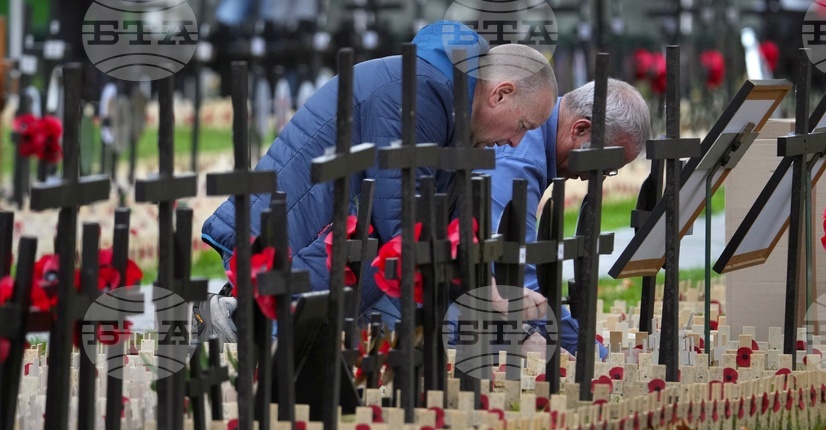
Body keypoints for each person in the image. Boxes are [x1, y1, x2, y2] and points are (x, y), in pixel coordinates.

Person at [197, 20, 558, 340]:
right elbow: (402, 227)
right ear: (500, 94)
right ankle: (237, 320)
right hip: (281, 245)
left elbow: (449, 235)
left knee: (415, 321)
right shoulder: (420, 93)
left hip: (317, 241)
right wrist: (487, 297)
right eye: (522, 126)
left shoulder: (453, 114)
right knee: (386, 279)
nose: (516, 142)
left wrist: (495, 304)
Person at [484, 79, 651, 358]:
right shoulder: (520, 162)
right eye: (604, 167)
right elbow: (516, 278)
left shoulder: (535, 136)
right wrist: (592, 353)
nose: (593, 179)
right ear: (580, 129)